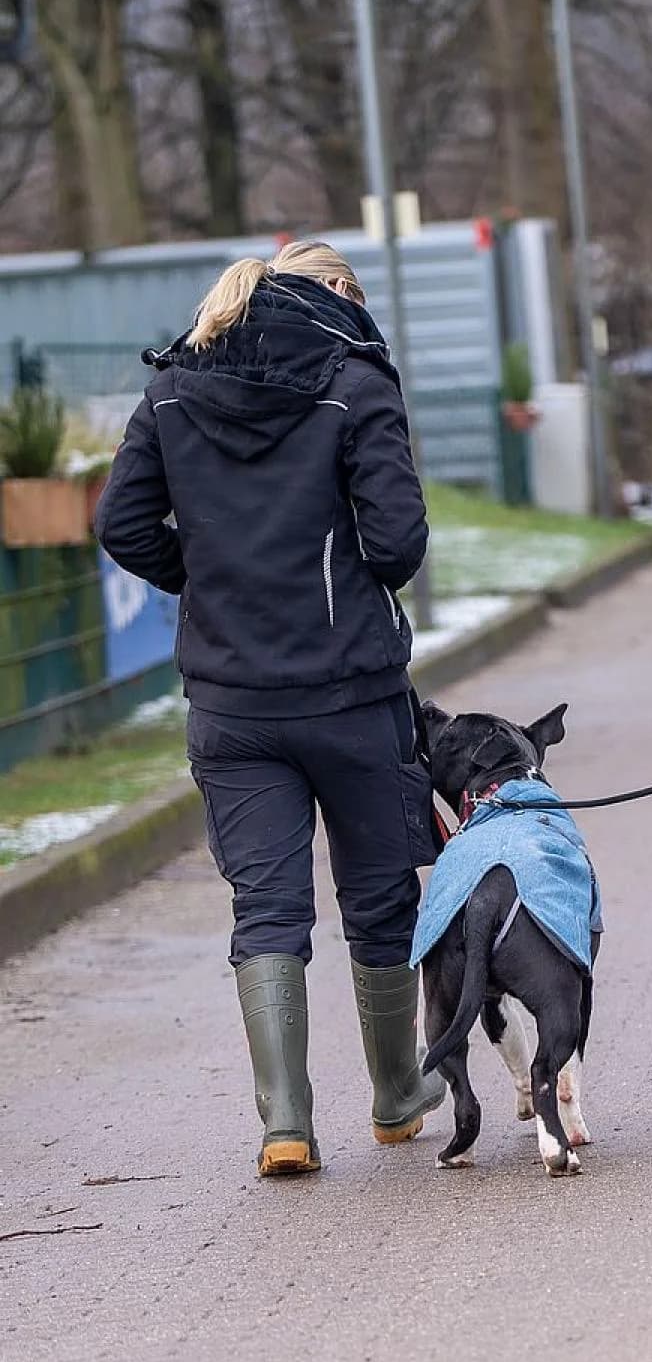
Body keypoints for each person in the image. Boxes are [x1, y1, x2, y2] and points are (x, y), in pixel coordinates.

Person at [96, 240, 445, 1176]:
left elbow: (120, 524)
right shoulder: (356, 380)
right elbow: (399, 542)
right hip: (351, 690)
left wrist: (206, 583)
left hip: (231, 700)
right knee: (378, 896)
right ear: (335, 297)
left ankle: (285, 1123)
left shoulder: (173, 385)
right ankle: (396, 1092)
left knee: (265, 906)